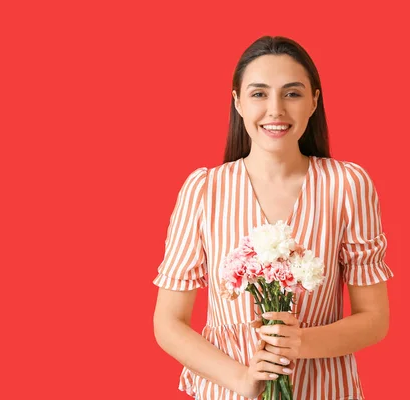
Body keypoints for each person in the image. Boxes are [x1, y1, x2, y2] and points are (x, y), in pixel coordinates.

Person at [152, 35, 393, 400]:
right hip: (226, 390)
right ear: (238, 102)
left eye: (292, 93)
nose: (276, 110)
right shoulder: (204, 190)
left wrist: (299, 343)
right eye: (259, 94)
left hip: (324, 389)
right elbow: (168, 323)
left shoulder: (347, 185)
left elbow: (374, 319)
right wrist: (241, 379)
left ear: (314, 100)